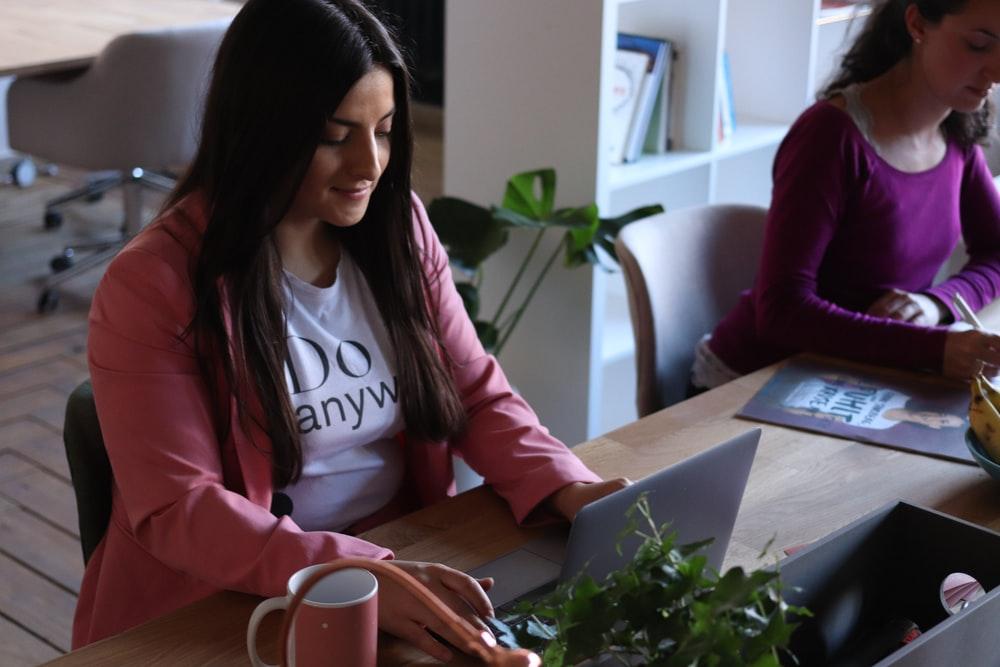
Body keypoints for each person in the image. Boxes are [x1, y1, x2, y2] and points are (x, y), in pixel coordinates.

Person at [73, 0, 625, 658]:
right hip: (224, 601)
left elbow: (473, 392)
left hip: (396, 554)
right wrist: (351, 570)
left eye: (384, 131)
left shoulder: (396, 225)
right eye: (336, 137)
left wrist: (570, 486)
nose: (370, 164)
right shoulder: (152, 283)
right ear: (262, 130)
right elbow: (179, 507)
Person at [693, 0, 1000, 394]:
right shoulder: (830, 136)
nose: (997, 71)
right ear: (918, 24)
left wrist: (935, 304)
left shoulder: (956, 134)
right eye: (978, 45)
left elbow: (996, 252)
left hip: (858, 378)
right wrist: (934, 348)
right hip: (752, 381)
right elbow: (781, 311)